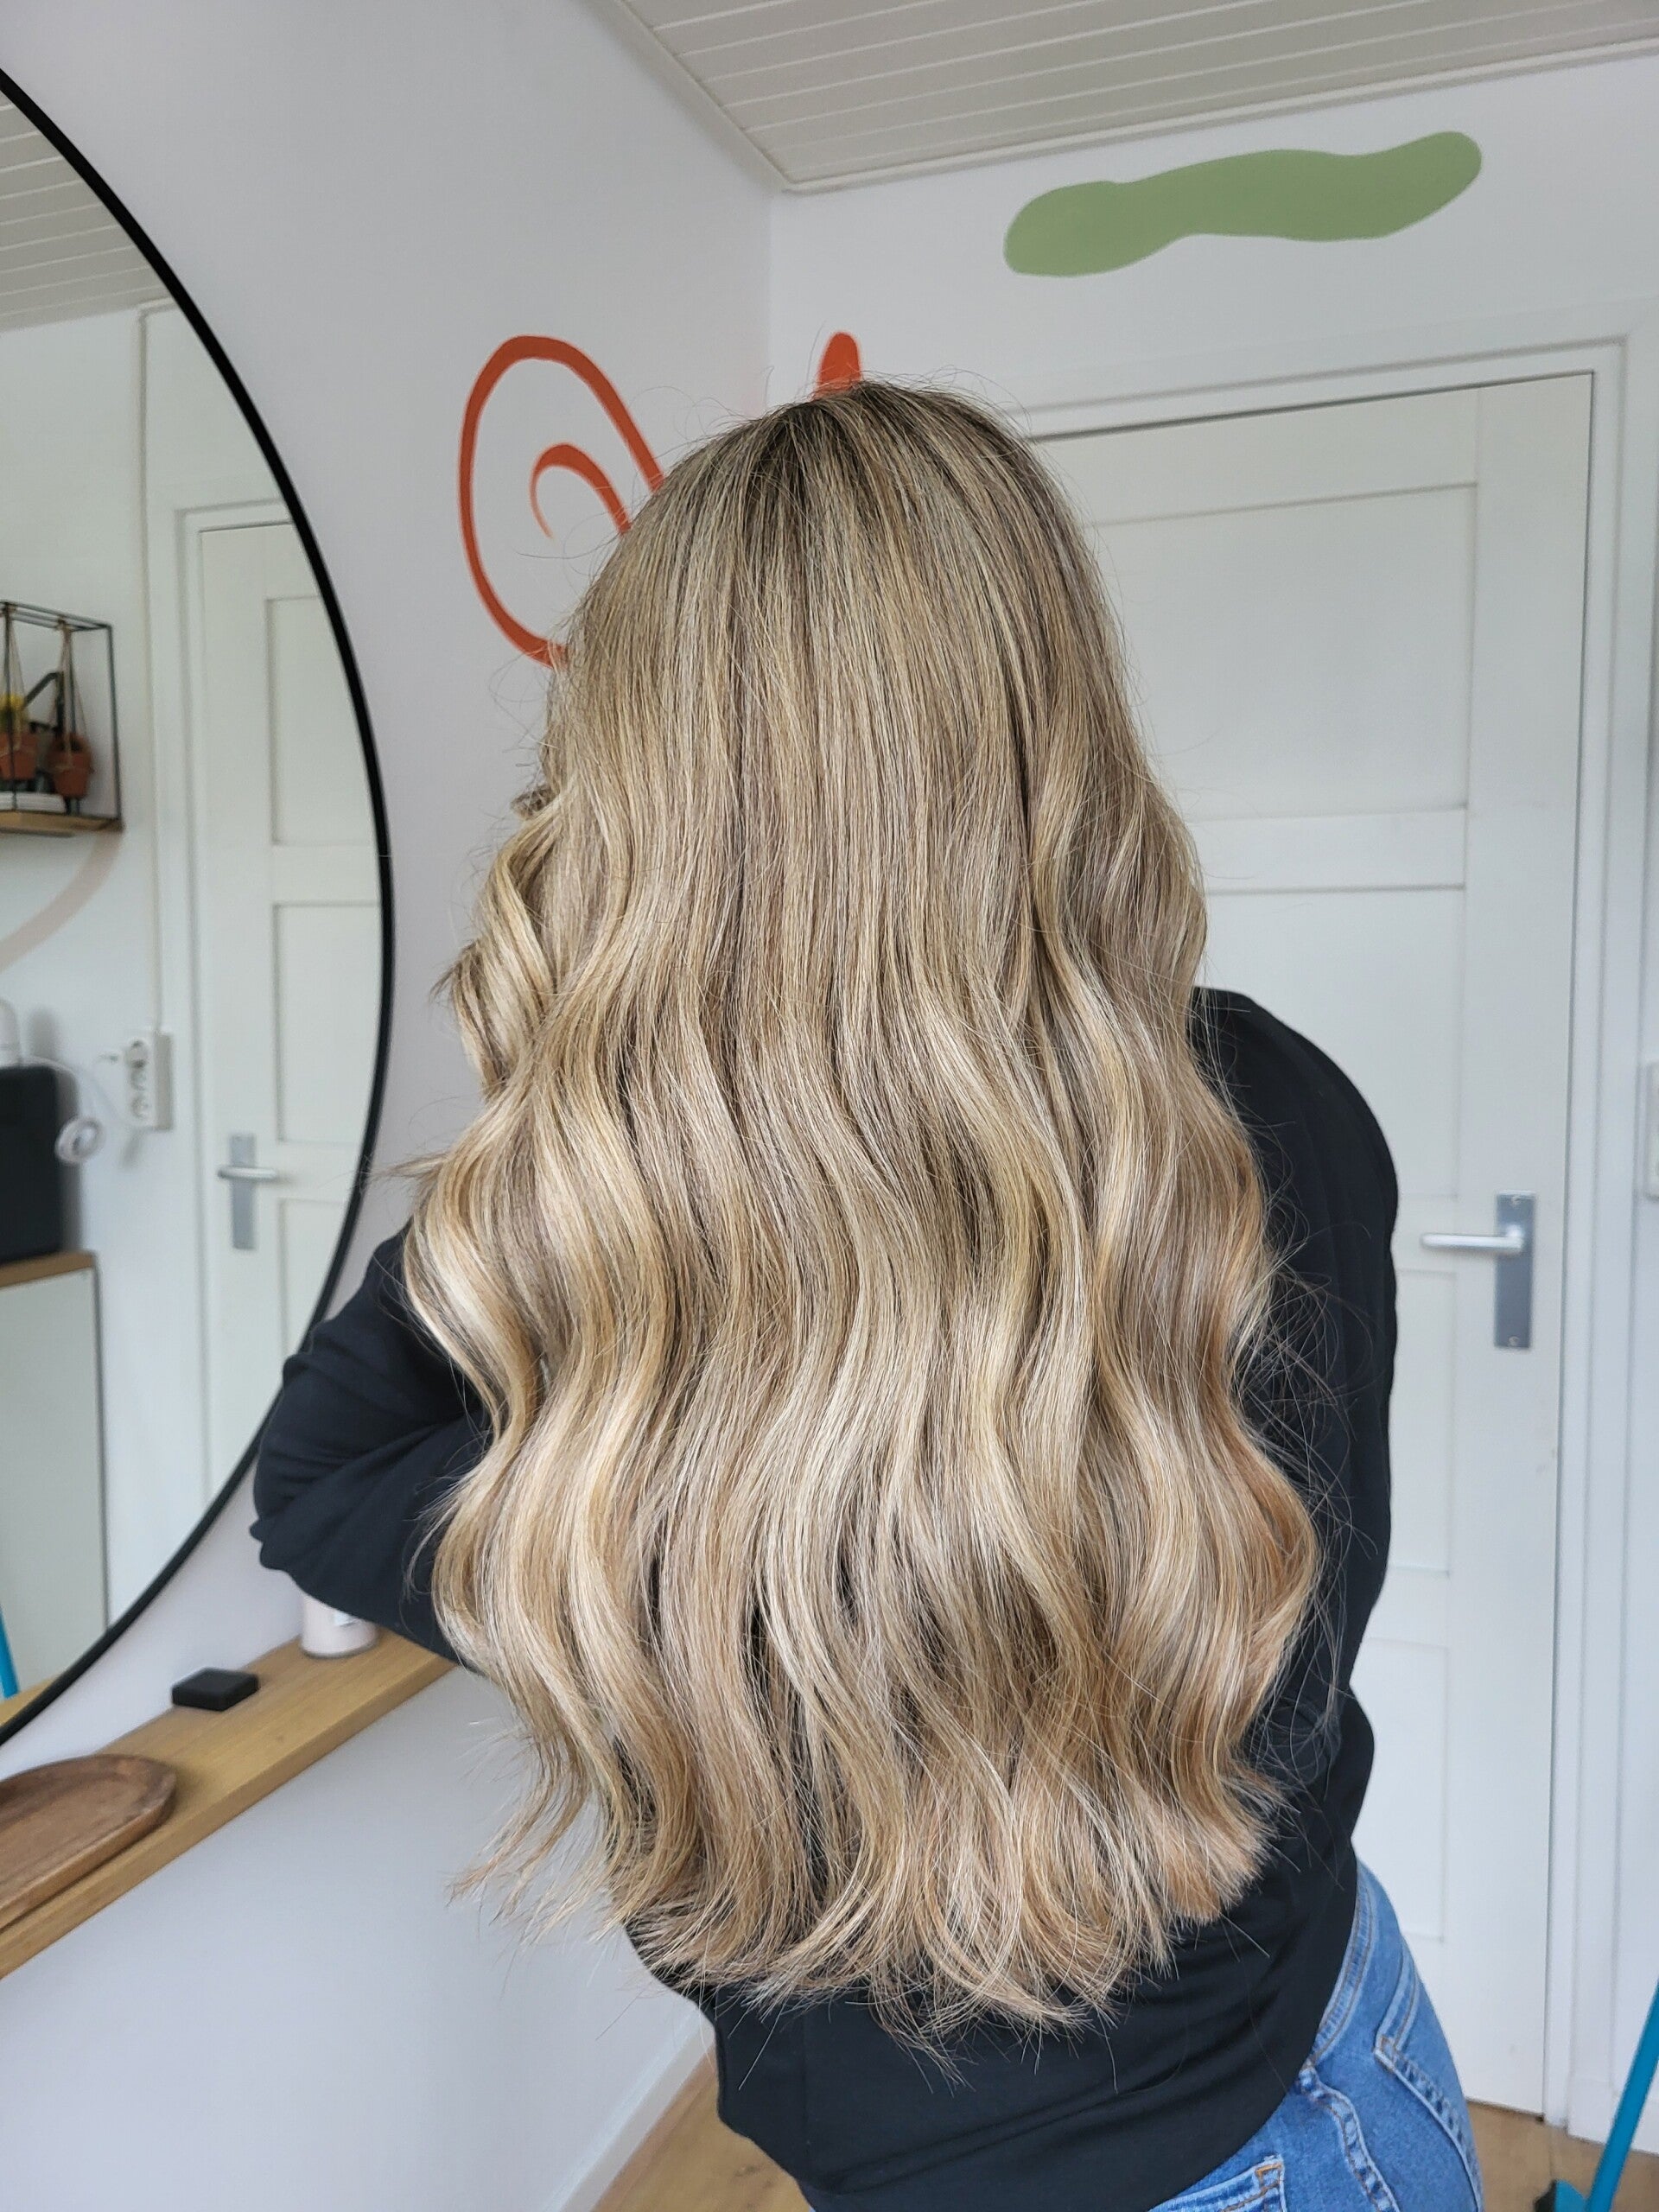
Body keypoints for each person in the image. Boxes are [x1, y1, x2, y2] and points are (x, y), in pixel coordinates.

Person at [251, 381, 1482, 2212]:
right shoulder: (1259, 1110)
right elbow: (1295, 1640)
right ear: (1052, 729)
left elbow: (323, 1474)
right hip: (1316, 2058)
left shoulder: (630, 1224)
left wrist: (593, 1179)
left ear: (641, 786)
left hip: (1233, 2136)